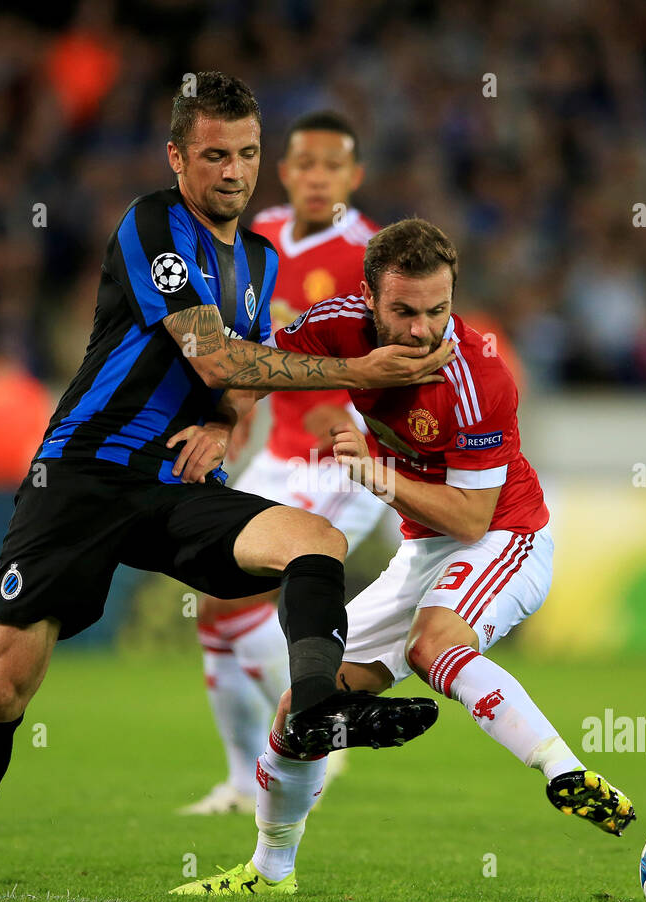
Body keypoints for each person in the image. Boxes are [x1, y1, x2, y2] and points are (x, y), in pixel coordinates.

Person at [0, 73, 454, 902]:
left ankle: (314, 710)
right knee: (4, 684)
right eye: (215, 154)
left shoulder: (257, 260)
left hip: (174, 482)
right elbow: (216, 356)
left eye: (248, 154)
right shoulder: (153, 224)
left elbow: (241, 382)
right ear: (178, 157)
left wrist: (226, 426)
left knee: (317, 541)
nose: (234, 171)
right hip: (82, 475)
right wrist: (357, 367)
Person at [172, 219, 635, 896]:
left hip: (504, 539)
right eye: (405, 312)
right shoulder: (336, 324)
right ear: (367, 299)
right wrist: (221, 422)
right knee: (302, 713)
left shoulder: (480, 378)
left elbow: (471, 517)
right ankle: (270, 873)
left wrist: (377, 477)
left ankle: (563, 770)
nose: (423, 331)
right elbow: (253, 370)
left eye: (437, 311)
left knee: (431, 645)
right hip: (423, 550)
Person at [183, 110, 389, 815]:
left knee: (244, 604)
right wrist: (231, 413)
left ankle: (312, 736)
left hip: (343, 459)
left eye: (333, 167)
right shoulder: (259, 235)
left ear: (353, 177)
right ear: (285, 169)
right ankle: (244, 779)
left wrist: (361, 414)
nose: (316, 177)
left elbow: (391, 361)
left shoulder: (370, 255)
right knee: (214, 609)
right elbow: (249, 342)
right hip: (278, 451)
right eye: (305, 164)